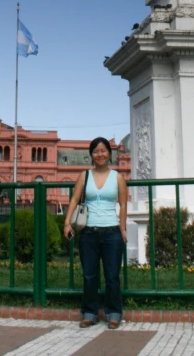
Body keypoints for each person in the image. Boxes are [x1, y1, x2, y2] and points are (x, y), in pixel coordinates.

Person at [64, 137, 128, 329]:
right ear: (91, 155)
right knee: (89, 275)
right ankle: (89, 312)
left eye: (103, 151)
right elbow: (75, 200)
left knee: (112, 275)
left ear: (110, 154)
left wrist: (122, 229)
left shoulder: (118, 177)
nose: (100, 154)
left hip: (112, 232)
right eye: (96, 151)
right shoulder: (84, 176)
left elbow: (123, 204)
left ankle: (113, 313)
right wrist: (67, 222)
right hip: (89, 232)